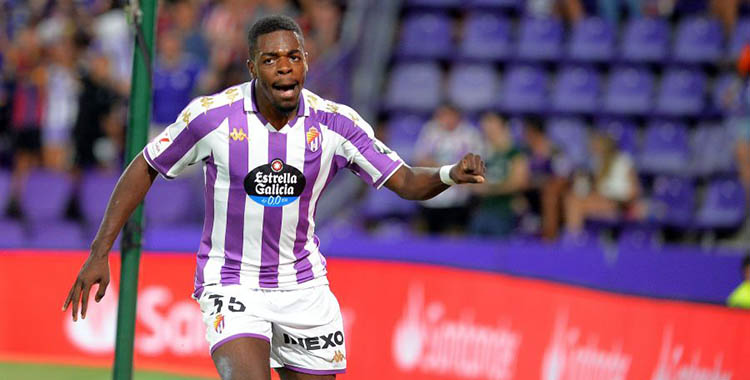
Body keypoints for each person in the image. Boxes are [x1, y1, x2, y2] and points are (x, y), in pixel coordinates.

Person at [62, 15, 485, 380]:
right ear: (252, 67)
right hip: (232, 281)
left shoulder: (336, 124)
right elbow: (146, 164)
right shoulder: (211, 118)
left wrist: (450, 174)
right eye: (271, 59)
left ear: (305, 62)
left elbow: (406, 181)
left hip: (304, 286)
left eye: (293, 57)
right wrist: (101, 251)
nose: (284, 68)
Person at [413, 103, 484, 234]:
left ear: (457, 116)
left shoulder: (469, 134)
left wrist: (440, 167)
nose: (443, 119)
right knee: (426, 235)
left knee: (454, 236)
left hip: (457, 198)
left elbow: (474, 164)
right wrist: (451, 169)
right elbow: (420, 160)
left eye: (447, 115)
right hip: (431, 196)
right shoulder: (430, 131)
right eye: (440, 116)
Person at [564, 132, 641, 235]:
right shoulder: (598, 163)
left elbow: (634, 190)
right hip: (602, 199)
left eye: (596, 145)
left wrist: (620, 201)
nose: (593, 149)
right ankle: (574, 236)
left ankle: (574, 238)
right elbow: (598, 188)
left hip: (617, 203)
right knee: (572, 199)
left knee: (575, 203)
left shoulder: (623, 161)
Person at [470, 113, 529, 238]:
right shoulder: (484, 153)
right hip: (484, 209)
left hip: (506, 210)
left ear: (503, 127)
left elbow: (519, 182)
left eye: (491, 125)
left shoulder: (514, 153)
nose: (487, 129)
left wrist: (489, 189)